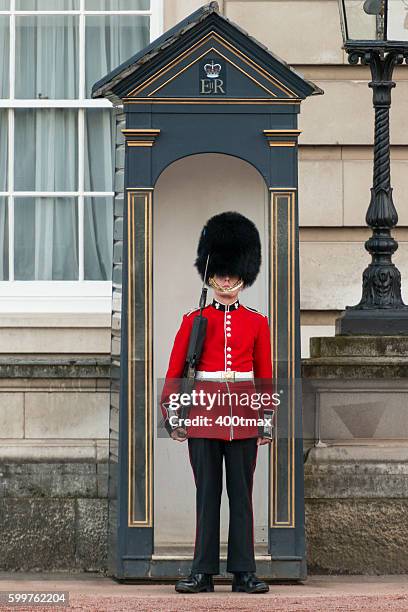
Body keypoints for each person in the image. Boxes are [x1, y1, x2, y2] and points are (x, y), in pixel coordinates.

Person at [160, 211, 275, 594]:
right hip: (204, 416)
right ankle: (203, 572)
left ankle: (244, 572)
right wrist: (174, 415)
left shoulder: (257, 322)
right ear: (211, 276)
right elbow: (177, 371)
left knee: (241, 497)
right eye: (221, 273)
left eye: (232, 273)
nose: (226, 280)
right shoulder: (194, 319)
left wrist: (266, 420)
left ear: (244, 275)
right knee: (208, 495)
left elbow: (264, 374)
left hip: (243, 415)